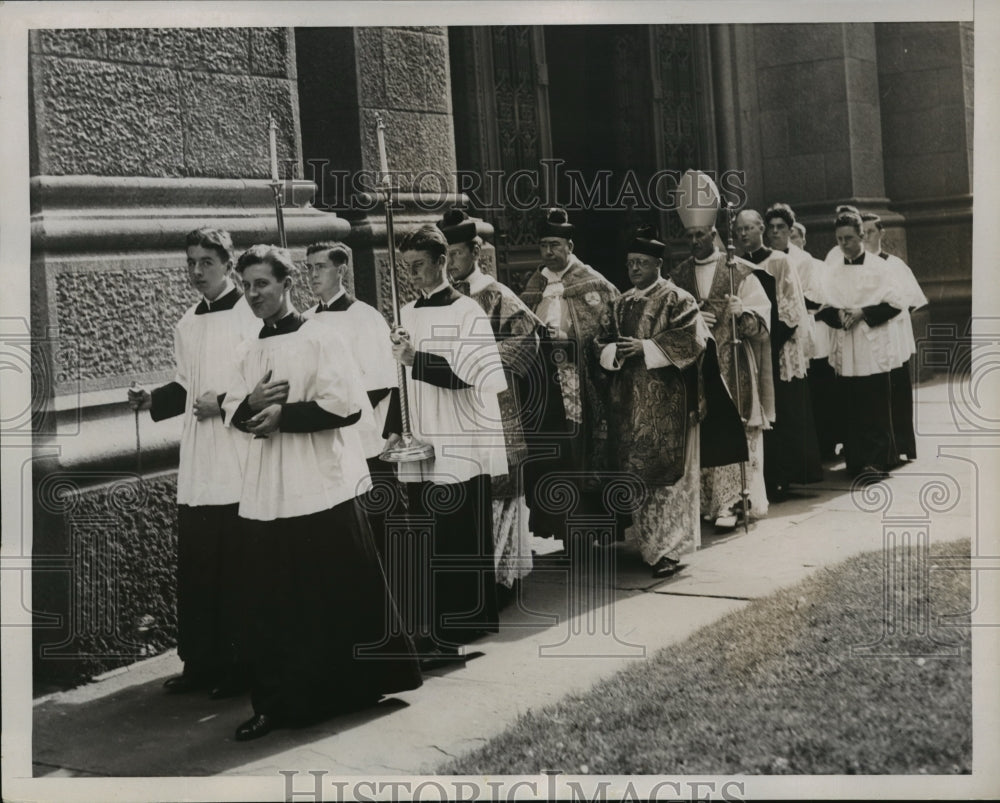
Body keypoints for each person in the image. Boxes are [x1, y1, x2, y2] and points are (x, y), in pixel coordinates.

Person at [223, 245, 421, 741]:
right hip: (268, 486)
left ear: (286, 284)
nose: (252, 295)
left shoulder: (322, 337)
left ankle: (354, 687)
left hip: (320, 481)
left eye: (261, 284)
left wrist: (285, 416)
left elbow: (349, 406)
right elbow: (232, 408)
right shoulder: (249, 348)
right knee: (273, 598)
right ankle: (278, 701)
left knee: (332, 590)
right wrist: (250, 406)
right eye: (246, 286)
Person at [127, 227, 258, 699]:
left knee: (237, 565)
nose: (197, 271)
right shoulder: (187, 322)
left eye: (206, 262)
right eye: (191, 262)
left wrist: (222, 403)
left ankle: (242, 667)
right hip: (201, 460)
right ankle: (202, 662)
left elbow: (264, 384)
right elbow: (186, 384)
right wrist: (152, 397)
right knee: (200, 564)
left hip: (239, 455)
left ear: (228, 264)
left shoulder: (250, 317)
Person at [386, 225, 508, 665]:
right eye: (406, 268)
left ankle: (453, 631)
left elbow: (474, 374)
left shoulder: (467, 312)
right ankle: (429, 628)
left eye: (419, 266)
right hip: (421, 436)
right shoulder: (406, 311)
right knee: (423, 531)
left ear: (441, 262)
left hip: (458, 439)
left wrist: (415, 359)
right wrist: (394, 427)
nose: (412, 275)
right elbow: (398, 377)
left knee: (455, 534)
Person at [436, 208, 551, 601]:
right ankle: (475, 577)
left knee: (500, 491)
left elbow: (528, 336)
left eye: (456, 253)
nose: (450, 262)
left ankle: (503, 578)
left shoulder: (495, 293)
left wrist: (479, 360)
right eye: (444, 255)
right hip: (453, 404)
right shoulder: (437, 299)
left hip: (493, 403)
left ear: (476, 251)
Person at [596, 226, 713, 577]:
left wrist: (646, 347)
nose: (634, 269)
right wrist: (613, 351)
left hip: (668, 405)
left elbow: (693, 341)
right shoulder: (619, 303)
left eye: (641, 263)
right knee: (638, 478)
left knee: (668, 482)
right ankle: (649, 544)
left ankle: (670, 550)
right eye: (630, 263)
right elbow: (598, 343)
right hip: (627, 405)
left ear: (658, 264)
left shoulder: (677, 299)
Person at [669, 171, 773, 531]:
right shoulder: (677, 275)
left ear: (713, 233)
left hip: (732, 365)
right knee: (702, 430)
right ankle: (704, 502)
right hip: (696, 368)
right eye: (689, 235)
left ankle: (735, 501)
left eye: (700, 234)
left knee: (733, 426)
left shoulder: (739, 271)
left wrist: (740, 312)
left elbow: (762, 323)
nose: (695, 240)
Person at [519, 208, 621, 541]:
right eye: (543, 245)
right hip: (544, 382)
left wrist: (570, 340)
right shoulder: (534, 283)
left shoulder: (592, 282)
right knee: (553, 454)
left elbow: (608, 331)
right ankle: (560, 528)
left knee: (581, 452)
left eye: (555, 245)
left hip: (580, 382)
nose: (548, 252)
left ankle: (588, 529)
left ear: (570, 245)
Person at [301, 241, 398, 552]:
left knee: (376, 519)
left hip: (362, 435)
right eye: (309, 268)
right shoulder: (304, 320)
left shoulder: (365, 316)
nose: (312, 274)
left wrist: (339, 415)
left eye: (320, 267)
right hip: (323, 436)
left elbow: (381, 381)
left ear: (341, 270)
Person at [815, 211, 906, 482]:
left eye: (849, 238)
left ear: (862, 236)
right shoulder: (833, 271)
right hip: (846, 347)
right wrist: (838, 315)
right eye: (840, 239)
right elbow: (823, 307)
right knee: (851, 408)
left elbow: (895, 303)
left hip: (871, 347)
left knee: (874, 407)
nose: (844, 244)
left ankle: (878, 461)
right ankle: (856, 460)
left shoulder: (880, 268)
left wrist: (863, 312)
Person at [740, 207, 823, 499]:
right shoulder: (736, 265)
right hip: (752, 345)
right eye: (739, 230)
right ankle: (764, 475)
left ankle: (785, 475)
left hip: (778, 344)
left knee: (785, 410)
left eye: (749, 227)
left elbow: (791, 305)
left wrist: (772, 339)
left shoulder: (779, 261)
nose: (744, 234)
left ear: (761, 228)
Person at [861, 213, 928, 462]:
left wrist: (889, 319)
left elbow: (911, 300)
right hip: (866, 339)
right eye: (863, 232)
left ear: (881, 233)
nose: (866, 237)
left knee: (897, 392)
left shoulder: (894, 265)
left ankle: (902, 444)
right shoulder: (855, 265)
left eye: (870, 231)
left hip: (893, 336)